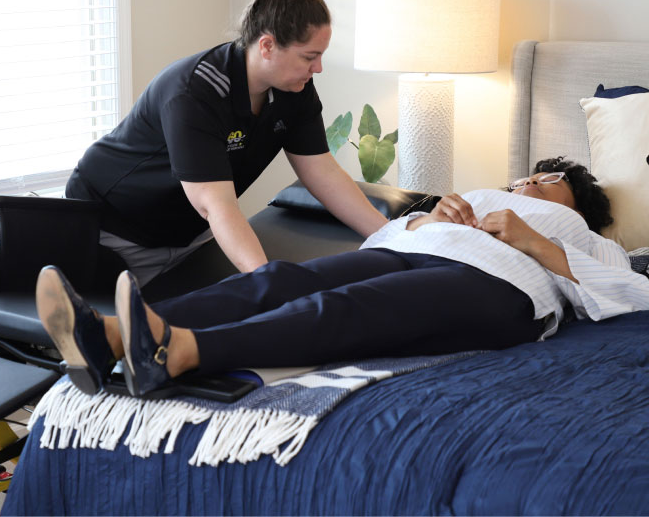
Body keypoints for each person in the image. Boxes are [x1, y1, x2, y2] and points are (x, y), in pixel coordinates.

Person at [38, 157, 649, 397]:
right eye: (525, 180)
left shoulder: (590, 237)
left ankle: (179, 353)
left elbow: (630, 295)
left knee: (351, 308)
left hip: (501, 286)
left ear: (576, 209)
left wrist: (536, 238)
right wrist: (423, 220)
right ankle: (113, 334)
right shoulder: (478, 194)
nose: (526, 188)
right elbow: (386, 232)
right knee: (277, 282)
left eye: (547, 186)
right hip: (423, 246)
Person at [64, 0, 388, 286]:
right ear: (267, 46)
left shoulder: (294, 87)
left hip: (188, 234)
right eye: (310, 56)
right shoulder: (194, 93)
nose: (317, 68)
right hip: (115, 231)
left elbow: (323, 173)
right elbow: (216, 206)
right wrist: (266, 280)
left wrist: (395, 237)